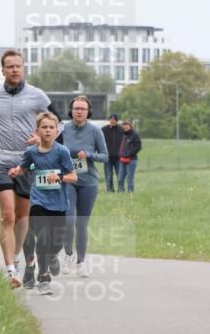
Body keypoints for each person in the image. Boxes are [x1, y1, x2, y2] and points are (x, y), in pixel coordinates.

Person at [0, 49, 57, 288]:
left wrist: (40, 136)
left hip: (28, 161)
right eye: (10, 66)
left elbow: (56, 121)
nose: (14, 70)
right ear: (2, 71)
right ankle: (10, 269)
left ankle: (17, 255)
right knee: (8, 214)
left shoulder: (38, 95)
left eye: (18, 66)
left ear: (23, 68)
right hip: (0, 160)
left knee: (24, 216)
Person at [8, 112, 78, 294]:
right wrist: (16, 172)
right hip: (38, 201)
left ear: (56, 131)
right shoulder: (31, 152)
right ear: (37, 131)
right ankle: (43, 277)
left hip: (59, 203)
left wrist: (60, 177)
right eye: (44, 127)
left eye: (51, 128)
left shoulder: (61, 151)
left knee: (56, 244)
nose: (47, 131)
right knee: (43, 238)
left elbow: (73, 176)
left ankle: (53, 256)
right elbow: (22, 168)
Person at [60, 95, 108, 277]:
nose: (79, 111)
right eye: (76, 108)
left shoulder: (95, 131)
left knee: (82, 224)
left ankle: (81, 262)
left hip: (89, 182)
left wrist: (88, 154)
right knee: (69, 220)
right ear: (71, 111)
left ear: (88, 112)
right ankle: (68, 255)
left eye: (83, 109)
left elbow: (105, 156)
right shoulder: (63, 129)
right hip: (69, 180)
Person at [117, 119, 142, 193]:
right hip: (122, 159)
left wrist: (129, 153)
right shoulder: (123, 134)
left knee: (130, 178)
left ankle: (131, 192)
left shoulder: (135, 134)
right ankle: (121, 192)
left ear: (130, 126)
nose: (125, 127)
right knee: (120, 178)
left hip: (131, 160)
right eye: (124, 125)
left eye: (127, 125)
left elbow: (138, 147)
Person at [101, 113, 124, 193]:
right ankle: (110, 190)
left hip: (119, 158)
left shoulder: (121, 130)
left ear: (117, 121)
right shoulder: (104, 129)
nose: (112, 121)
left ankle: (121, 190)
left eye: (114, 119)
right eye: (111, 119)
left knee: (120, 175)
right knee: (108, 176)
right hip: (108, 158)